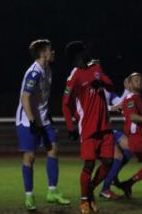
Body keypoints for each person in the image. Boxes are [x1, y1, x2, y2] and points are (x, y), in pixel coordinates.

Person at [15, 39, 70, 211]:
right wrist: (32, 121)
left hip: (44, 119)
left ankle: (52, 192)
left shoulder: (48, 70)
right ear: (43, 53)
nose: (53, 52)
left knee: (53, 149)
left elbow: (42, 99)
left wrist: (47, 117)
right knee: (29, 158)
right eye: (50, 50)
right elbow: (25, 98)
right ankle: (29, 196)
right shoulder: (34, 73)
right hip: (27, 119)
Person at [61, 41, 115, 214]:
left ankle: (89, 190)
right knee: (89, 164)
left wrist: (100, 78)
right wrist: (70, 127)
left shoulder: (95, 67)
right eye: (84, 51)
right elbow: (65, 104)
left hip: (105, 125)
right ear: (77, 55)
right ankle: (85, 201)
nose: (88, 52)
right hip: (88, 127)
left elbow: (110, 84)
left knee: (108, 162)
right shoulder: (74, 75)